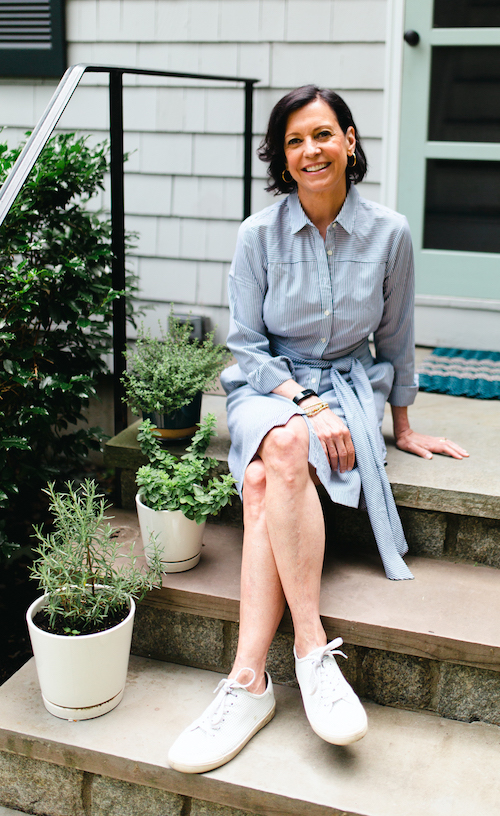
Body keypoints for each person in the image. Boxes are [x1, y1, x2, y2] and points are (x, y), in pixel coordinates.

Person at [168, 85, 468, 774]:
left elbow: (396, 336)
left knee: (263, 477)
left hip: (350, 387)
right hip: (268, 389)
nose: (311, 151)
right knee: (288, 437)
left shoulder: (389, 233)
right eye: (296, 141)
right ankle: (310, 647)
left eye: (323, 135)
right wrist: (305, 400)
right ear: (283, 156)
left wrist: (402, 422)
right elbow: (245, 347)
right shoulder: (257, 235)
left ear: (350, 141)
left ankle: (248, 682)